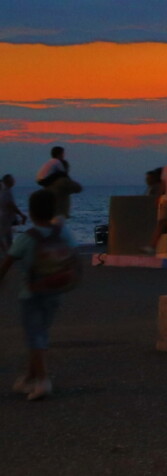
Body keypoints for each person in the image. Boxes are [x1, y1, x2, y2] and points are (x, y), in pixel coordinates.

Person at [2, 188, 80, 402]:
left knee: (34, 336)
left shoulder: (27, 237)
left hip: (32, 294)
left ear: (31, 212)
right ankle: (29, 377)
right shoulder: (63, 233)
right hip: (55, 292)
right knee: (40, 333)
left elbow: (8, 261)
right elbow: (74, 255)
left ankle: (43, 380)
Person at [35, 148, 82, 222]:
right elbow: (64, 173)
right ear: (59, 154)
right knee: (61, 174)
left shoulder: (50, 162)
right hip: (45, 180)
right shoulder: (57, 162)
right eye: (63, 154)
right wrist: (68, 180)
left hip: (41, 180)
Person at [0, 175, 20, 253]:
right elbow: (10, 205)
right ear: (8, 181)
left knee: (7, 236)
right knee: (6, 236)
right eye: (12, 179)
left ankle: (7, 252)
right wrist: (21, 214)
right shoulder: (6, 192)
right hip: (5, 218)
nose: (14, 181)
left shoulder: (7, 190)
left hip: (6, 217)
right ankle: (7, 253)